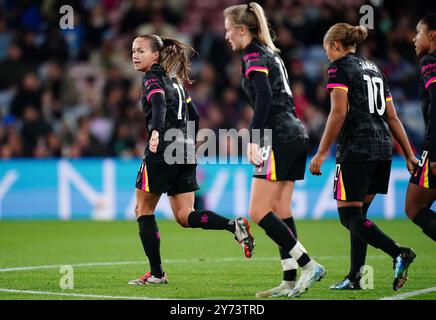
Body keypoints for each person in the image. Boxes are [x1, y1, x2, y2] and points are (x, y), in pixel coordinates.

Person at [129, 34, 255, 285]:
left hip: (163, 147)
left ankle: (157, 274)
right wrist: (188, 141)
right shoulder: (176, 81)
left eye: (141, 50)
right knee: (186, 215)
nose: (134, 54)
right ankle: (234, 225)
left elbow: (158, 102)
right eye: (133, 50)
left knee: (143, 210)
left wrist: (155, 131)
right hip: (183, 148)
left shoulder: (152, 77)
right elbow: (195, 114)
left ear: (156, 56)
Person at [223, 2, 325, 298]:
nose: (227, 35)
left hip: (277, 136)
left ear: (242, 29)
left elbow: (265, 97)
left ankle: (308, 265)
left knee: (257, 211)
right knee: (281, 210)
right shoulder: (271, 53)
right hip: (295, 133)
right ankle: (290, 279)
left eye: (229, 30)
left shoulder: (253, 53)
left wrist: (254, 138)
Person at [310, 23, 417, 291]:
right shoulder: (376, 70)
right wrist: (409, 154)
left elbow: (338, 112)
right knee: (359, 216)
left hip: (356, 149)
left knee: (348, 217)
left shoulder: (339, 68)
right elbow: (392, 116)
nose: (326, 56)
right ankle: (355, 277)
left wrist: (321, 153)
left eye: (326, 50)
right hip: (382, 149)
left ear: (335, 45)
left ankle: (398, 252)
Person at [406, 13, 436, 242]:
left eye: (419, 32)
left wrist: (434, 152)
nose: (415, 38)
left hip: (434, 146)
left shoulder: (430, 61)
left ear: (433, 35)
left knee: (414, 206)